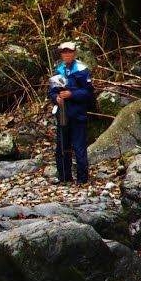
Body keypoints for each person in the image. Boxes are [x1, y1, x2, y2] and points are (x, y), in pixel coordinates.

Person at [47, 41, 94, 185]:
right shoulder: (58, 71)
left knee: (79, 147)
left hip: (78, 114)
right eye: (64, 52)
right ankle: (64, 177)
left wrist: (71, 94)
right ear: (61, 55)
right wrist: (56, 98)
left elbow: (89, 92)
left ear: (74, 54)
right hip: (62, 114)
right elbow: (52, 91)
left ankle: (82, 179)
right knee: (62, 147)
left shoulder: (81, 70)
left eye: (69, 52)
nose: (67, 55)